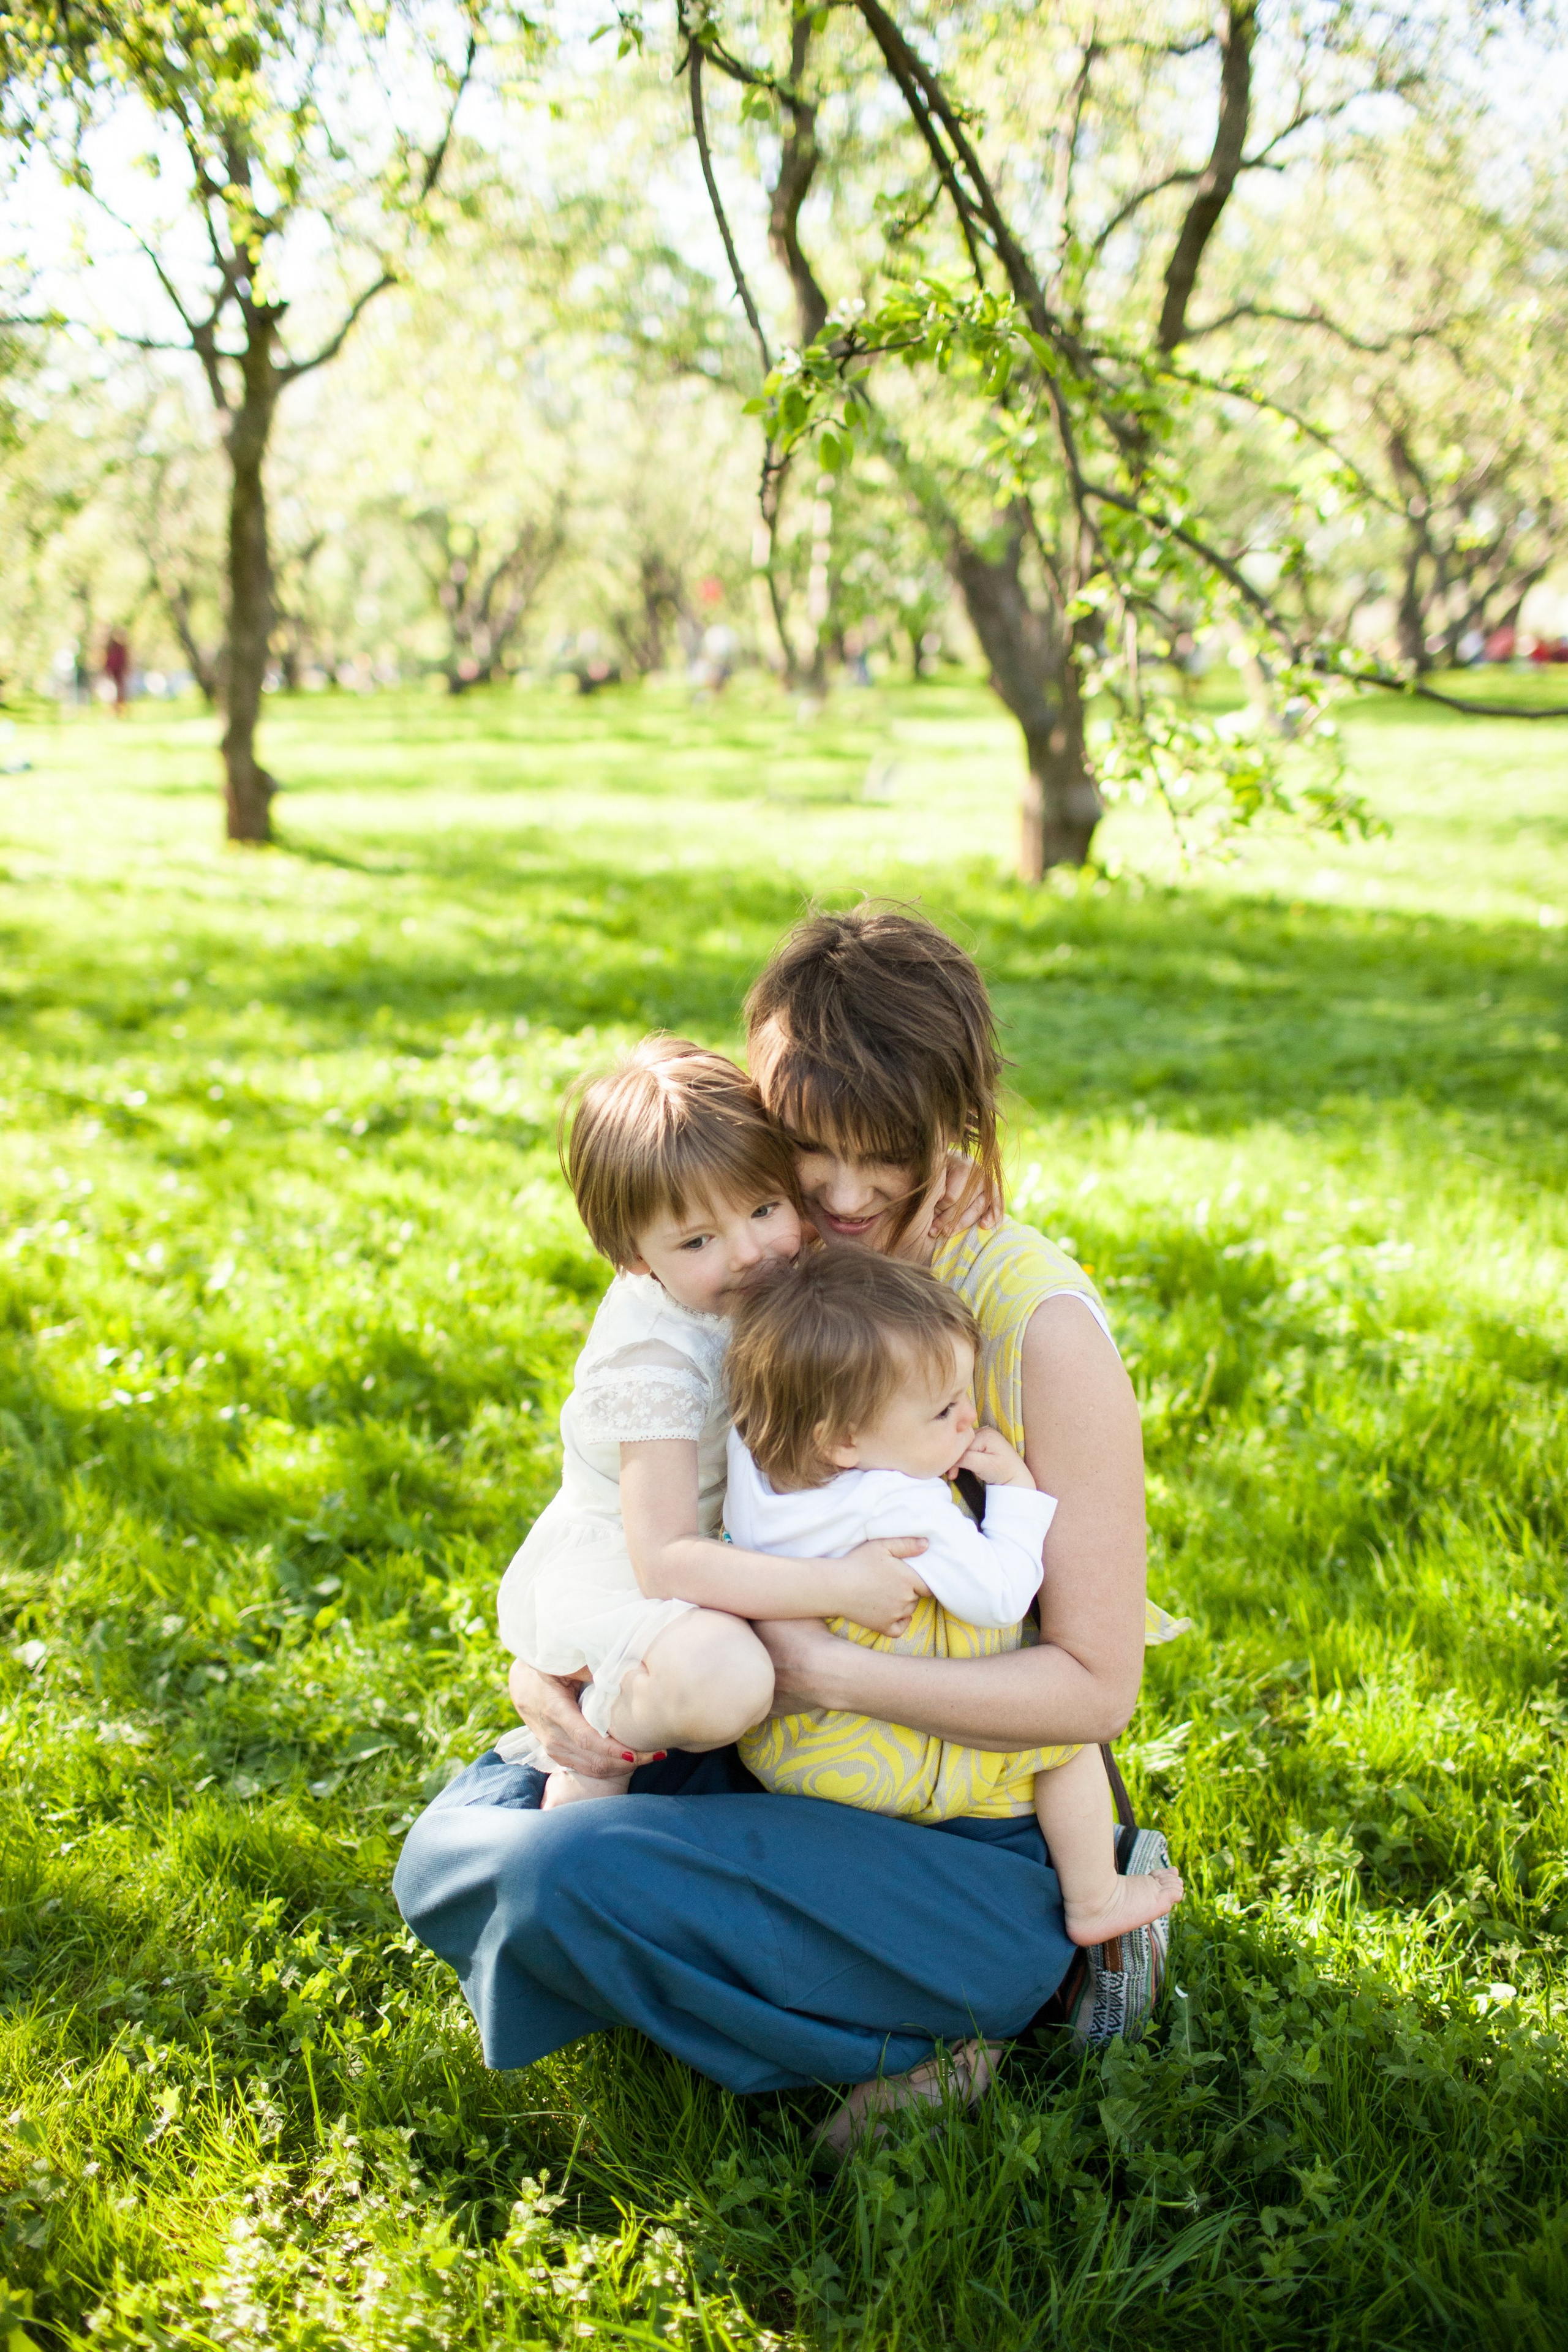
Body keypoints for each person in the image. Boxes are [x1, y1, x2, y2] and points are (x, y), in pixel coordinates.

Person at [395, 907, 1174, 2142]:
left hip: (958, 1834)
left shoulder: (1034, 1327)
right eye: (814, 1150)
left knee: (552, 1881)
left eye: (890, 1150)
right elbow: (623, 1507)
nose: (847, 1194)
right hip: (766, 1742)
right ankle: (817, 1989)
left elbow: (1091, 1693)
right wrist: (547, 1672)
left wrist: (820, 1666)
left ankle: (974, 2019)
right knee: (452, 1851)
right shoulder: (746, 1247)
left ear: (951, 1124)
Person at [493, 1036, 930, 1809]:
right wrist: (840, 1586)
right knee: (728, 1679)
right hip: (638, 1576)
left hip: (723, 1552)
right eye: (697, 1240)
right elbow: (663, 1560)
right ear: (633, 1258)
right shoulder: (656, 1360)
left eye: (766, 1208)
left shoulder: (761, 1265)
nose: (751, 1252)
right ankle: (597, 1759)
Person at [725, 1250, 1183, 1948]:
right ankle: (1095, 1896)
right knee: (1059, 1744)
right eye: (943, 1409)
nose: (969, 1419)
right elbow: (1002, 1594)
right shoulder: (901, 1504)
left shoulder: (751, 1462)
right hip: (868, 1760)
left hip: (780, 1751)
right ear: (845, 1442)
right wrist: (1014, 1490)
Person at [102, 630, 130, 716]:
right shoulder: (110, 648)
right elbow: (107, 661)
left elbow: (124, 661)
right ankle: (113, 710)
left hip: (119, 673)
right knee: (112, 692)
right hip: (112, 673)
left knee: (120, 692)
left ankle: (120, 710)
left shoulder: (121, 648)